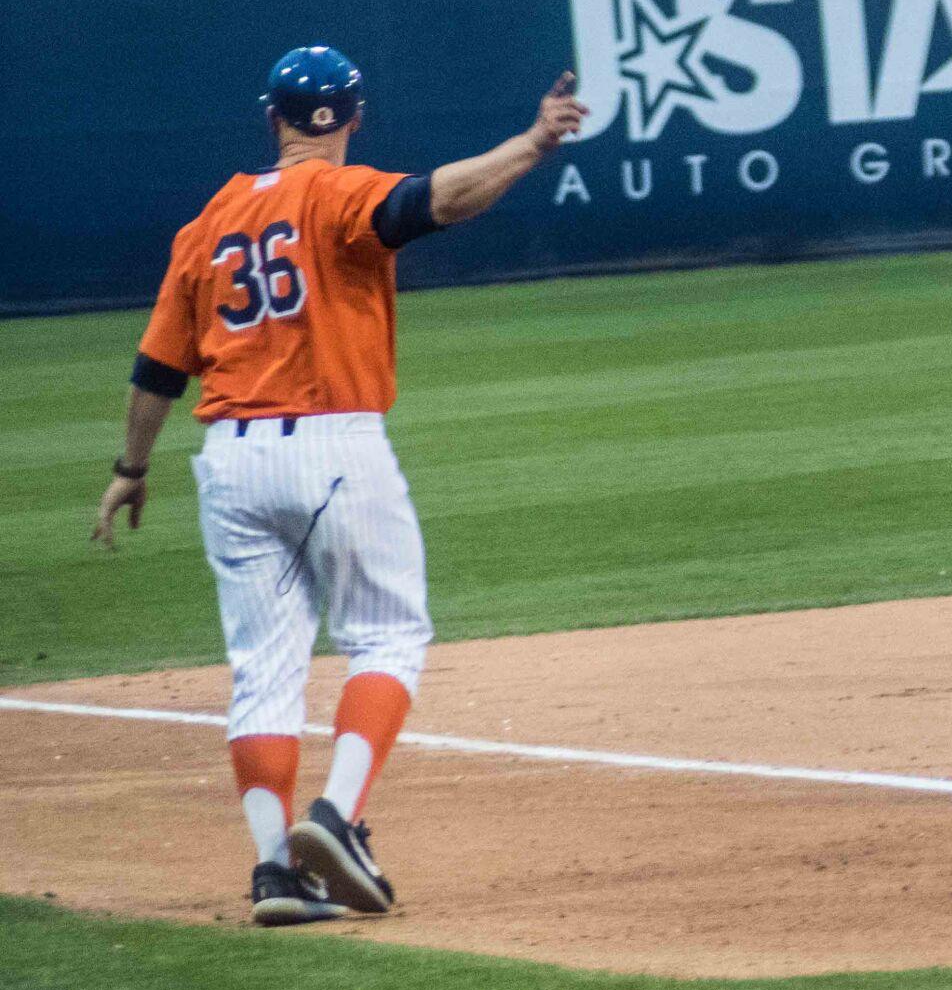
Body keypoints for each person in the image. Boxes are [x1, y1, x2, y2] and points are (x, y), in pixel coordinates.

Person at [90, 46, 587, 924]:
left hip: (231, 458)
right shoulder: (338, 192)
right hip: (332, 444)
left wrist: (131, 469)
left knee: (263, 674)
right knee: (389, 635)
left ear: (271, 116)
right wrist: (531, 145)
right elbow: (433, 200)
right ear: (353, 117)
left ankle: (275, 873)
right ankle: (339, 816)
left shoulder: (209, 222)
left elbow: (157, 367)